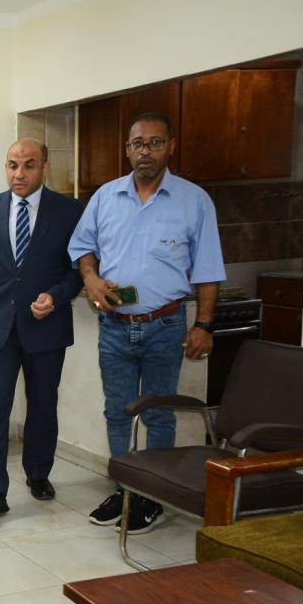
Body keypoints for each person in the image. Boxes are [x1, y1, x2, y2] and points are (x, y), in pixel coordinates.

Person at [68, 112, 225, 535]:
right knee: (118, 411)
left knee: (157, 415)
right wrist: (91, 278)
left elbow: (208, 269)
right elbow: (82, 247)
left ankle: (152, 497)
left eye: (155, 143)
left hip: (165, 326)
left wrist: (204, 325)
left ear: (171, 146)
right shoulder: (105, 197)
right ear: (127, 149)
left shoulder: (193, 201)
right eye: (138, 143)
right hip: (115, 326)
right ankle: (124, 489)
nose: (146, 151)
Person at [0, 140, 84, 521]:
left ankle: (38, 473)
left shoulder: (70, 211)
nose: (19, 173)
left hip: (46, 326)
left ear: (45, 167)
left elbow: (79, 271)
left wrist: (56, 297)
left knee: (43, 404)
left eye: (29, 165)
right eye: (12, 165)